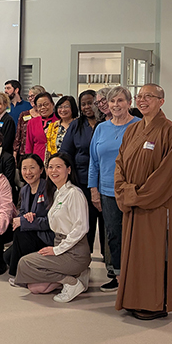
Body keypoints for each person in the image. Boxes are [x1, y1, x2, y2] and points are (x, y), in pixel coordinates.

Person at [114, 84, 172, 320]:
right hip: (134, 206)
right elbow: (119, 163)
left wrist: (134, 196)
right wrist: (123, 191)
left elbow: (167, 176)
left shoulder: (171, 131)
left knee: (153, 255)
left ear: (161, 101)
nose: (142, 100)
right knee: (133, 256)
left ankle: (155, 303)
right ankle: (134, 299)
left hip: (156, 206)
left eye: (149, 97)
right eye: (139, 96)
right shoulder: (132, 130)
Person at [14, 153, 91, 303]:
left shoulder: (74, 193)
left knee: (25, 263)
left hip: (74, 251)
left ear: (68, 170)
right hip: (59, 244)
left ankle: (72, 282)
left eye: (58, 167)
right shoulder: (57, 193)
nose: (54, 171)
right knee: (35, 288)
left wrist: (57, 250)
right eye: (51, 167)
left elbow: (81, 229)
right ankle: (78, 276)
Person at [88, 86, 140, 293]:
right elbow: (94, 161)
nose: (116, 105)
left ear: (129, 103)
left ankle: (136, 275)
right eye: (112, 101)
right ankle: (118, 276)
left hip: (133, 191)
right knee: (113, 235)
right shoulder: (101, 128)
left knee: (135, 234)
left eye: (120, 100)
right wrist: (94, 189)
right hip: (107, 191)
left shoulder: (139, 126)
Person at [61, 90, 106, 262]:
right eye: (84, 104)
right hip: (82, 179)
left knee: (105, 220)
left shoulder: (107, 123)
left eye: (91, 103)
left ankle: (107, 257)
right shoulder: (76, 125)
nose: (87, 107)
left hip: (105, 179)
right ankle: (83, 257)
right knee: (85, 220)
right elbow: (66, 152)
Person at [3, 154, 53, 284]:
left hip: (45, 236)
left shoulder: (48, 189)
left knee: (20, 232)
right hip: (31, 233)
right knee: (7, 257)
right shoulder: (24, 190)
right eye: (24, 168)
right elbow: (22, 214)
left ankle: (18, 277)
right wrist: (24, 218)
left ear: (41, 170)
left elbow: (50, 222)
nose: (28, 172)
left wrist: (25, 221)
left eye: (32, 168)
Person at [13, 85, 46, 162]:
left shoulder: (46, 116)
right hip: (24, 154)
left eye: (33, 96)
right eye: (29, 97)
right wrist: (14, 153)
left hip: (42, 153)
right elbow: (18, 136)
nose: (30, 99)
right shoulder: (24, 114)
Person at [25, 92, 58, 161]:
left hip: (56, 159)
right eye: (39, 106)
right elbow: (29, 145)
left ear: (52, 104)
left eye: (46, 104)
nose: (43, 107)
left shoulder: (60, 121)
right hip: (37, 160)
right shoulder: (32, 122)